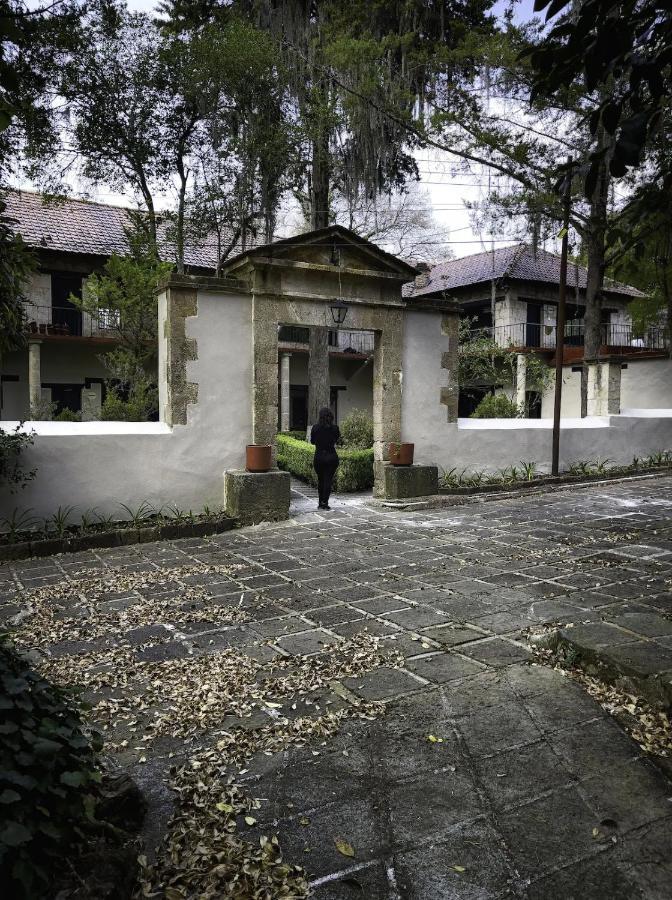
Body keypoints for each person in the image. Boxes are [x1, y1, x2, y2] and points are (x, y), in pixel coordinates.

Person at [310, 407, 340, 510]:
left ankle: (320, 503)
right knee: (328, 480)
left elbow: (312, 442)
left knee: (321, 480)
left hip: (319, 457)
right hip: (331, 456)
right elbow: (336, 439)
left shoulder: (315, 428)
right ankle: (325, 502)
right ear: (331, 417)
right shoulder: (335, 428)